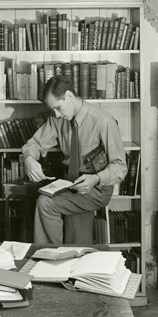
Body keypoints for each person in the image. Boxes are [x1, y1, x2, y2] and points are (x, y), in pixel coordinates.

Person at [22, 76, 128, 244]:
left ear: (69, 96)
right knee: (77, 239)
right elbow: (34, 144)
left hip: (97, 188)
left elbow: (120, 167)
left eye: (57, 107)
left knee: (45, 203)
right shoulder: (58, 119)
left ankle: (48, 256)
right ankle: (66, 258)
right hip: (71, 183)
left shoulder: (103, 121)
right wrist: (29, 159)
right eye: (53, 110)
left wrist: (96, 179)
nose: (55, 114)